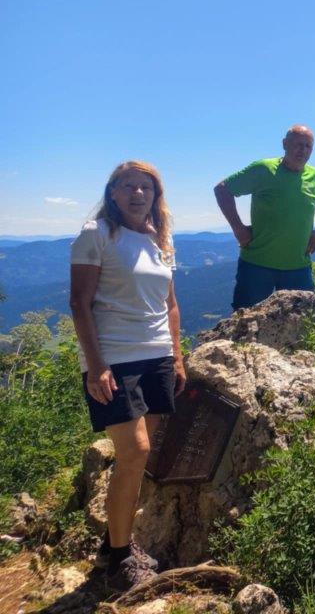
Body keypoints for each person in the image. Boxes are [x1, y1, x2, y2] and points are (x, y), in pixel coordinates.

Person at [69, 161, 187, 590]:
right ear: (113, 192)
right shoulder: (96, 234)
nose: (139, 194)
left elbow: (170, 304)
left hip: (156, 355)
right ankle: (120, 559)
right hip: (114, 359)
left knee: (139, 457)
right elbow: (80, 303)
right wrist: (95, 365)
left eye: (147, 188)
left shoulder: (161, 240)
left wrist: (177, 356)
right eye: (129, 186)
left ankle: (112, 543)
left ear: (156, 197)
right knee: (134, 451)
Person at [214, 125, 315, 310]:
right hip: (256, 264)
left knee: (302, 326)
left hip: (298, 266)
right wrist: (238, 228)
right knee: (245, 322)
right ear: (284, 144)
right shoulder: (263, 169)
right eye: (298, 144)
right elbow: (223, 189)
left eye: (308, 146)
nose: (303, 150)